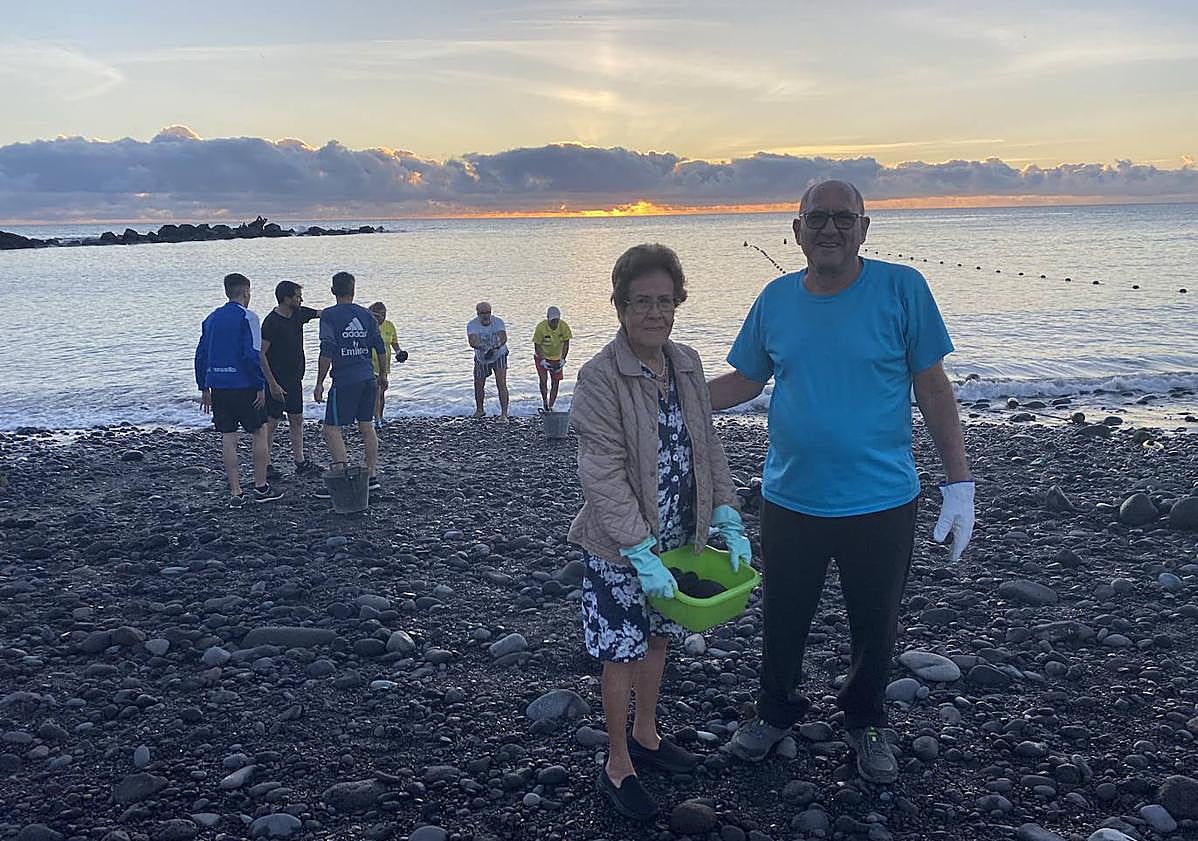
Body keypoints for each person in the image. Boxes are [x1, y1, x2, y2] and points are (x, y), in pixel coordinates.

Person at [709, 180, 974, 784]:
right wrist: (672, 398)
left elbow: (932, 387)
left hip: (882, 499)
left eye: (842, 218)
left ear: (864, 226)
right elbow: (744, 381)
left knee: (875, 622)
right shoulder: (775, 298)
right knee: (782, 617)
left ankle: (867, 721)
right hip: (791, 497)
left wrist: (959, 483)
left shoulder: (902, 288)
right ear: (796, 228)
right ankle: (775, 714)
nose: (830, 229)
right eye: (817, 218)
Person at [569, 244, 752, 821]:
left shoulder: (688, 364)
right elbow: (601, 471)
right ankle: (617, 762)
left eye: (664, 301)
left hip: (678, 535)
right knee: (620, 652)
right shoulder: (599, 377)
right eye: (641, 301)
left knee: (659, 637)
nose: (654, 312)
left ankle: (647, 735)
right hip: (620, 546)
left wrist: (727, 512)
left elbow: (708, 445)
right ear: (620, 306)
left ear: (678, 304)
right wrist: (638, 552)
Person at [194, 272, 284, 504]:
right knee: (259, 431)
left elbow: (201, 354)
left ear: (226, 292)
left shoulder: (211, 318)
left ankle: (236, 491)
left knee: (228, 435)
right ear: (246, 292)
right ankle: (261, 486)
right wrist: (260, 385)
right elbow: (251, 354)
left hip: (219, 385)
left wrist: (204, 386)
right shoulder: (249, 318)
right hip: (243, 384)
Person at [313, 272, 388, 494]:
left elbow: (326, 348)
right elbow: (380, 347)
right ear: (353, 290)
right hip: (367, 377)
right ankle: (372, 474)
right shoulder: (366, 315)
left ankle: (343, 474)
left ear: (333, 290)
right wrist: (382, 374)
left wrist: (319, 382)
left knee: (331, 428)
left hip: (345, 380)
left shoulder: (329, 315)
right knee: (366, 425)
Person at [260, 280, 321, 477]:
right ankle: (266, 464)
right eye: (297, 296)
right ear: (286, 298)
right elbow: (260, 354)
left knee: (297, 419)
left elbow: (323, 313)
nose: (301, 299)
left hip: (295, 379)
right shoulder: (271, 322)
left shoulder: (299, 314)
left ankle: (300, 461)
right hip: (276, 381)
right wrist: (272, 384)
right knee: (271, 422)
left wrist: (352, 311)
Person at [467, 301, 509, 419]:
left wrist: (495, 346)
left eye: (488, 313)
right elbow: (472, 341)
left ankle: (504, 413)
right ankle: (480, 410)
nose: (486, 316)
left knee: (501, 383)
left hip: (499, 354)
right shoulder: (472, 324)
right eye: (482, 313)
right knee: (478, 384)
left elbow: (503, 337)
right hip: (482, 357)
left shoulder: (498, 322)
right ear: (478, 314)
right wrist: (484, 348)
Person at [367, 301, 404, 429]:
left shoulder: (389, 326)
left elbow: (394, 343)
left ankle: (380, 416)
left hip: (384, 366)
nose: (378, 318)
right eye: (375, 316)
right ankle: (376, 419)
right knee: (376, 391)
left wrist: (399, 353)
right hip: (370, 364)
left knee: (382, 392)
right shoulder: (368, 326)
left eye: (381, 315)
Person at [532, 305, 572, 411]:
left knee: (556, 382)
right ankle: (545, 401)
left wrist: (563, 359)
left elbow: (566, 344)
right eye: (553, 320)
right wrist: (543, 360)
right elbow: (537, 345)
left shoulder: (563, 326)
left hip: (557, 358)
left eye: (557, 320)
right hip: (541, 357)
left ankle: (551, 405)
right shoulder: (541, 327)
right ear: (548, 318)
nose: (555, 323)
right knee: (543, 380)